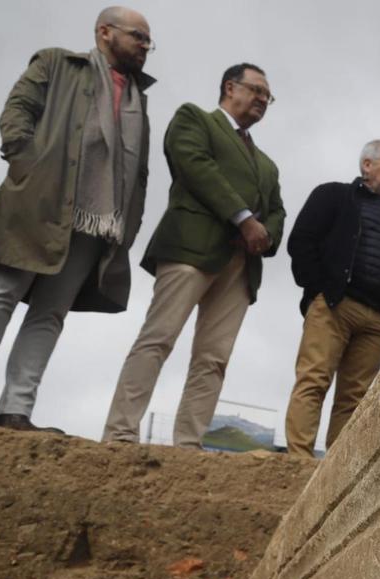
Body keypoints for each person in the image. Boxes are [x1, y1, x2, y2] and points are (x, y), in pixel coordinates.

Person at [0, 7, 155, 433]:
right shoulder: (57, 62)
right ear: (104, 32)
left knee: (51, 312)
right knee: (2, 290)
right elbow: (17, 113)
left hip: (99, 223)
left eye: (149, 41)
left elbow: (139, 171)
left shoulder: (137, 96)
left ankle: (15, 411)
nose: (145, 46)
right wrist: (29, 171)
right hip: (42, 201)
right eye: (138, 36)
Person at [102, 63, 284, 448]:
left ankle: (188, 443)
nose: (263, 100)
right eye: (256, 91)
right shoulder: (194, 118)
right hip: (192, 246)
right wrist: (244, 218)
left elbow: (278, 210)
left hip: (240, 266)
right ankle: (120, 432)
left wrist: (265, 236)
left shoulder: (267, 163)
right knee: (158, 338)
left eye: (268, 96)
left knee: (214, 359)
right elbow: (194, 165)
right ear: (229, 87)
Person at [283, 140, 380, 456]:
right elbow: (302, 240)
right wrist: (319, 289)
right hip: (334, 307)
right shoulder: (333, 195)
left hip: (379, 322)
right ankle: (298, 460)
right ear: (367, 165)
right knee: (314, 380)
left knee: (355, 401)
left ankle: (336, 472)